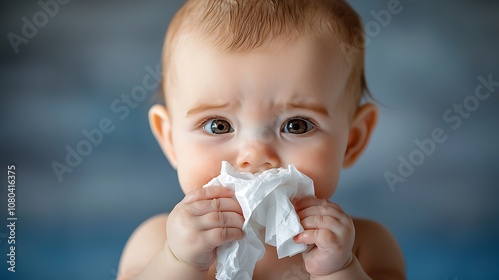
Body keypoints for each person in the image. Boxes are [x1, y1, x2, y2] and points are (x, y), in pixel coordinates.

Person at [118, 0, 406, 279]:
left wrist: (340, 270)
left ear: (352, 140)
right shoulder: (156, 242)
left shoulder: (365, 247)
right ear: (170, 140)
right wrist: (178, 262)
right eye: (218, 126)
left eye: (296, 125)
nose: (255, 156)